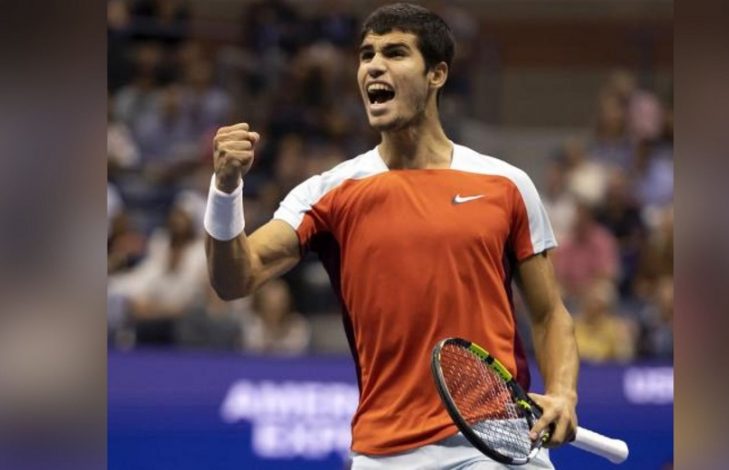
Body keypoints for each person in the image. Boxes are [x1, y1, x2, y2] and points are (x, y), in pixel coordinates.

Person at [204, 4, 578, 469]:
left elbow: (548, 315)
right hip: (382, 452)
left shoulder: (506, 184)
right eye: (366, 55)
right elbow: (234, 278)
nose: (373, 66)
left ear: (437, 74)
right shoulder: (328, 193)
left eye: (395, 52)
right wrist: (225, 189)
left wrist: (563, 392)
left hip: (493, 443)